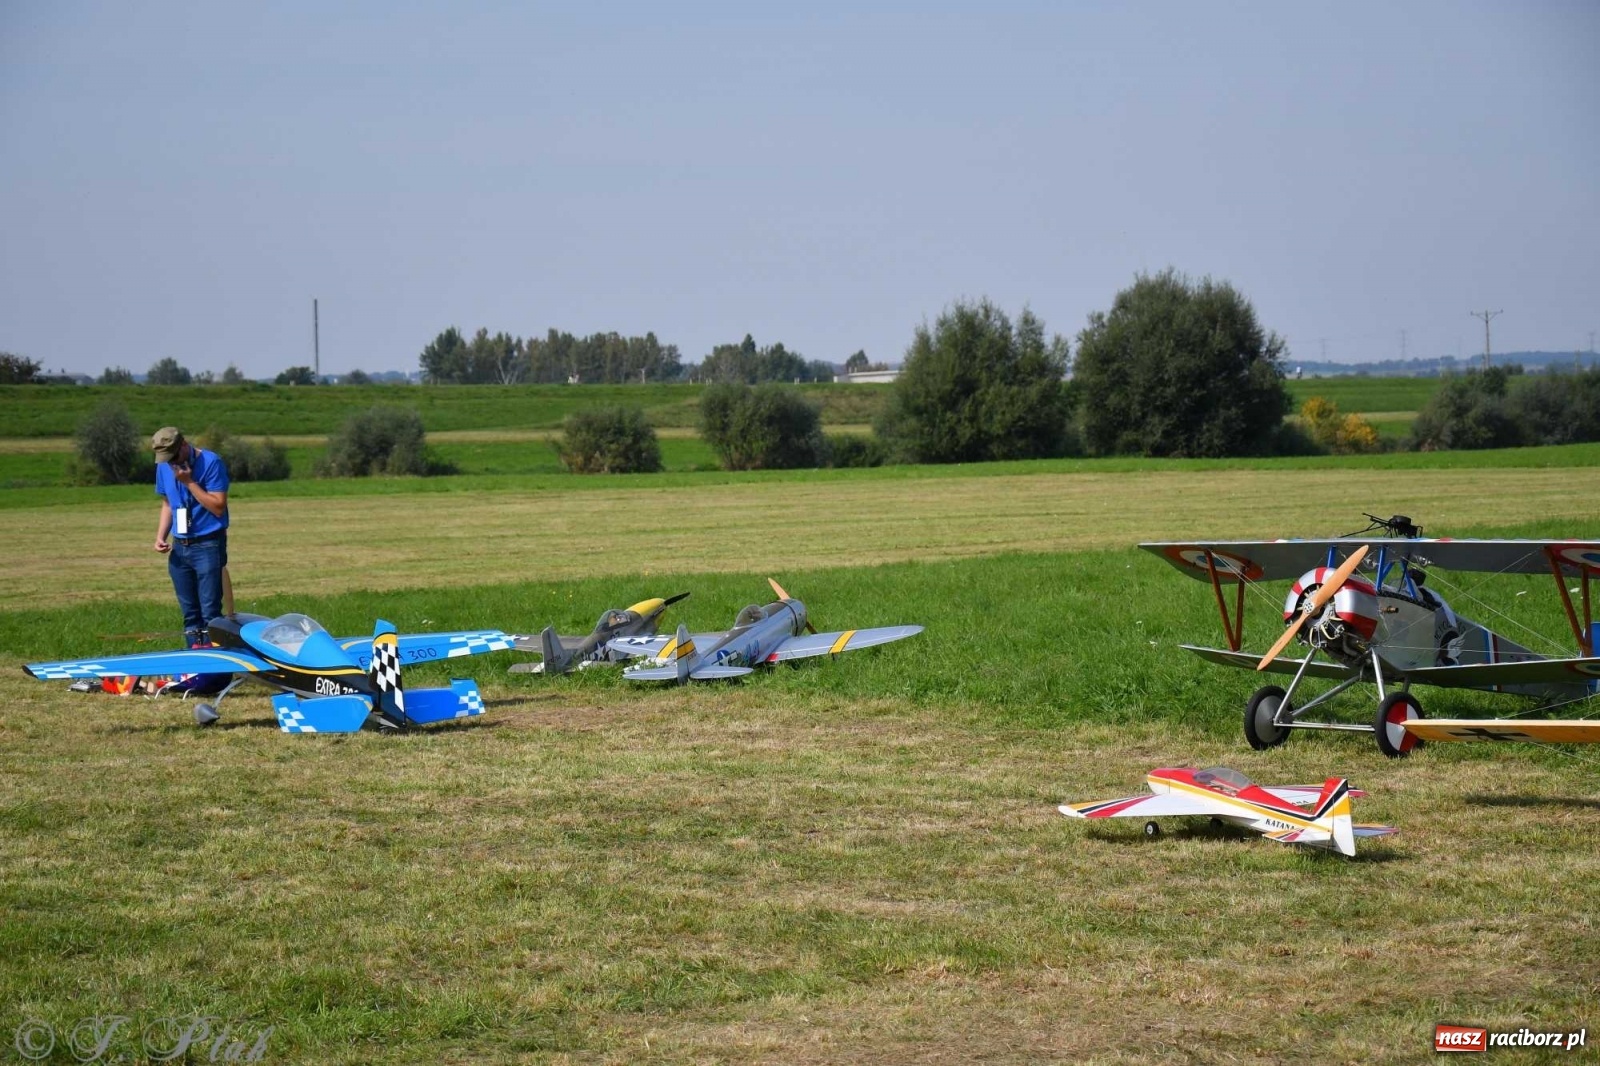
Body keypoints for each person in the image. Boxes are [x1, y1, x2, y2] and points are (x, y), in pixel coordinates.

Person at [151, 427, 231, 646]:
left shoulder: (211, 462)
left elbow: (218, 507)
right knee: (190, 616)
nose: (170, 462)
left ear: (184, 445)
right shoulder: (164, 466)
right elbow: (168, 502)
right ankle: (196, 670)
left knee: (210, 614)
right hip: (180, 547)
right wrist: (161, 536)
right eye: (165, 459)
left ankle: (217, 667)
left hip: (208, 545)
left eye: (173, 456)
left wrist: (189, 482)